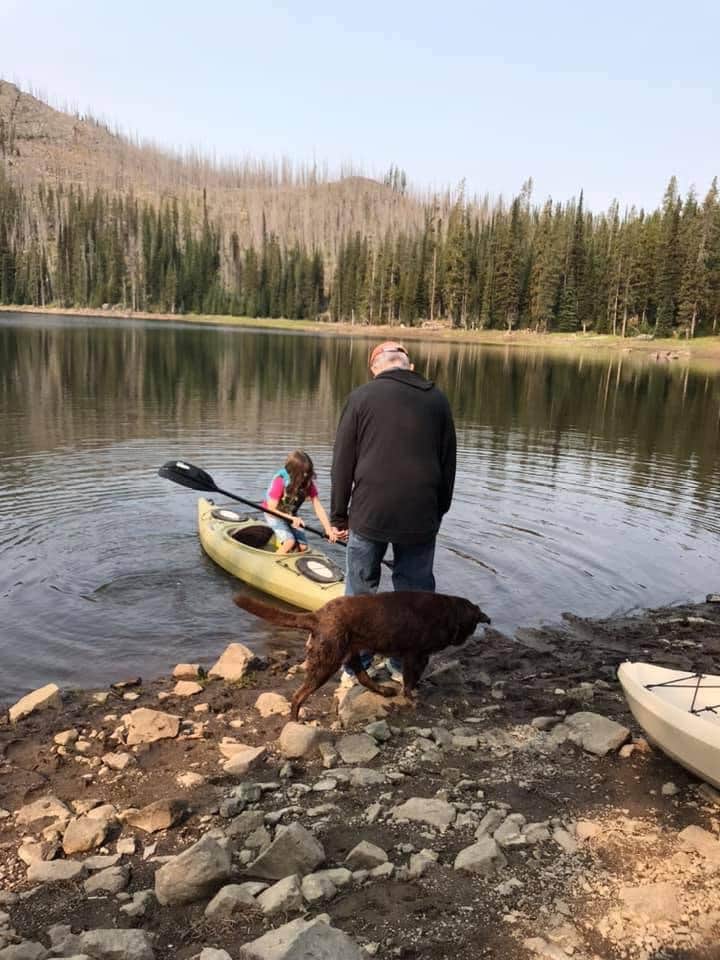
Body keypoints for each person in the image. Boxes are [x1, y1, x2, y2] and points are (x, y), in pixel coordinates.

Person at [330, 341, 457, 680]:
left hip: (370, 513)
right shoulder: (438, 400)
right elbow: (448, 464)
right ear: (409, 366)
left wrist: (339, 515)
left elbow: (342, 462)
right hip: (421, 514)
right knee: (415, 597)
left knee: (359, 593)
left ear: (375, 368)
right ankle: (405, 666)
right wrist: (438, 510)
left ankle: (357, 666)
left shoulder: (361, 398)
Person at [263, 449, 338, 554]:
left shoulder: (308, 483)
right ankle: (270, 563)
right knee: (290, 542)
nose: (306, 476)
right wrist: (292, 518)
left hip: (290, 514)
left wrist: (328, 529)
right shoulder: (280, 481)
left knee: (303, 547)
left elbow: (318, 507)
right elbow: (271, 508)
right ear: (293, 472)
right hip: (273, 515)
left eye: (308, 472)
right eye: (303, 473)